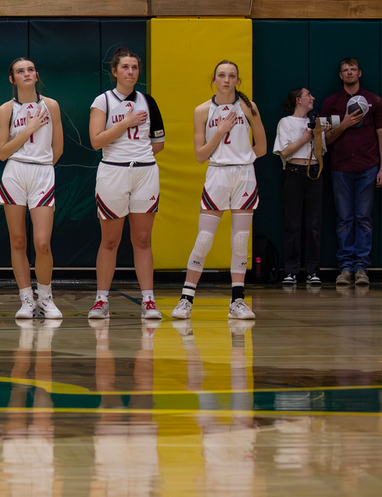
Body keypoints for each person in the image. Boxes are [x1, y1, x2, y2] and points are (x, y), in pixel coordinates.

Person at [172, 60, 267, 320]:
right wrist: (221, 133)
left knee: (240, 241)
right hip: (216, 173)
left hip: (244, 175)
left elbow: (262, 147)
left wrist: (242, 158)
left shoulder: (249, 107)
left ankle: (238, 301)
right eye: (221, 75)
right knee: (204, 239)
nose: (226, 79)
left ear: (238, 80)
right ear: (213, 80)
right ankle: (186, 298)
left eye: (231, 76)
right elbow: (200, 155)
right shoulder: (202, 110)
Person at [87, 48, 165, 320]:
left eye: (134, 67)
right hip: (113, 173)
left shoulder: (148, 101)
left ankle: (148, 300)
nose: (130, 71)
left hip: (144, 172)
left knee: (142, 239)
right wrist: (127, 123)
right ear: (115, 71)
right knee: (110, 240)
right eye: (125, 67)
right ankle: (101, 300)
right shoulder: (103, 101)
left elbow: (159, 143)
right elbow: (96, 141)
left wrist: (138, 156)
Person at [0, 57, 64, 319]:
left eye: (30, 70)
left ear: (37, 75)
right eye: (20, 71)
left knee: (42, 242)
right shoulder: (6, 109)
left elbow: (57, 148)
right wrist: (28, 130)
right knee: (19, 240)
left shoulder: (51, 105)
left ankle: (45, 298)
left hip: (43, 171)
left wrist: (42, 164)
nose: (26, 74)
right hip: (15, 171)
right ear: (12, 79)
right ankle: (26, 299)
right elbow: (2, 152)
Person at [319, 57, 382, 286]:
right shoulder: (331, 103)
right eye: (345, 70)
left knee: (363, 219)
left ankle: (362, 268)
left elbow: (380, 134)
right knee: (345, 219)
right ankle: (345, 268)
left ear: (360, 73)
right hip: (340, 168)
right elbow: (324, 139)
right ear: (340, 75)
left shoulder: (374, 101)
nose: (349, 73)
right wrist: (344, 124)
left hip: (368, 167)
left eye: (353, 69)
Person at [273, 87, 326, 285]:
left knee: (314, 224)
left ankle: (313, 271)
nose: (312, 98)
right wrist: (305, 138)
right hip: (294, 172)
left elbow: (322, 151)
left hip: (314, 172)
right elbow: (284, 152)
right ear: (298, 100)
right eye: (308, 95)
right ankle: (291, 270)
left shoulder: (316, 123)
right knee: (292, 223)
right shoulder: (285, 122)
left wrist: (321, 134)